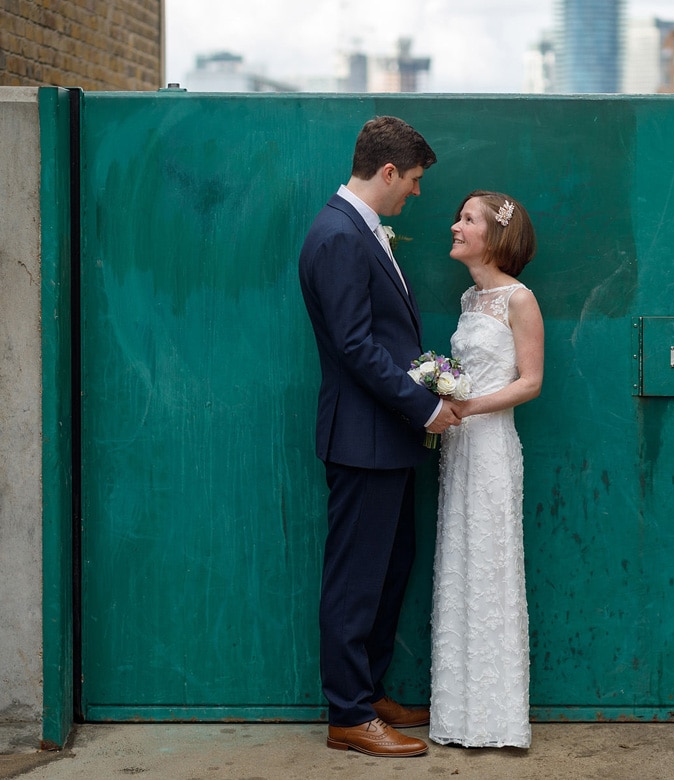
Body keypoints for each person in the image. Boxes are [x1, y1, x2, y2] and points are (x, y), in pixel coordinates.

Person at [298, 116, 462, 758]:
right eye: (415, 180)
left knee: (389, 570)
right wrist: (424, 408)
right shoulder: (338, 235)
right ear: (388, 171)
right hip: (363, 438)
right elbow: (356, 346)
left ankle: (368, 691)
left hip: (383, 439)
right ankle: (347, 714)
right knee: (355, 579)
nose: (417, 193)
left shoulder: (361, 231)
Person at [429, 191, 543, 749]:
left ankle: (498, 719)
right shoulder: (471, 299)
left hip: (492, 447)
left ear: (495, 237)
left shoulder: (519, 299)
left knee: (491, 565)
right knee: (460, 564)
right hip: (459, 450)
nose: (456, 225)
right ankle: (458, 716)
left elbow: (530, 381)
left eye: (467, 219)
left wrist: (465, 407)